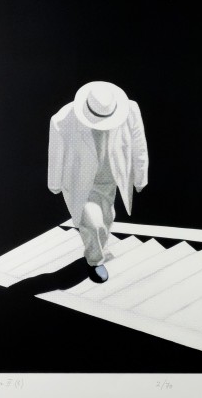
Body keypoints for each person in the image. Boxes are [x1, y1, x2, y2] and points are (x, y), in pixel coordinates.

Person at [47, 81, 148, 283]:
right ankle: (95, 261)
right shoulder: (62, 120)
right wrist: (54, 184)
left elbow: (139, 144)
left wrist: (140, 176)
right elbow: (56, 154)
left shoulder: (131, 110)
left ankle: (99, 249)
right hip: (79, 182)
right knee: (93, 224)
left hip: (110, 177)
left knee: (107, 219)